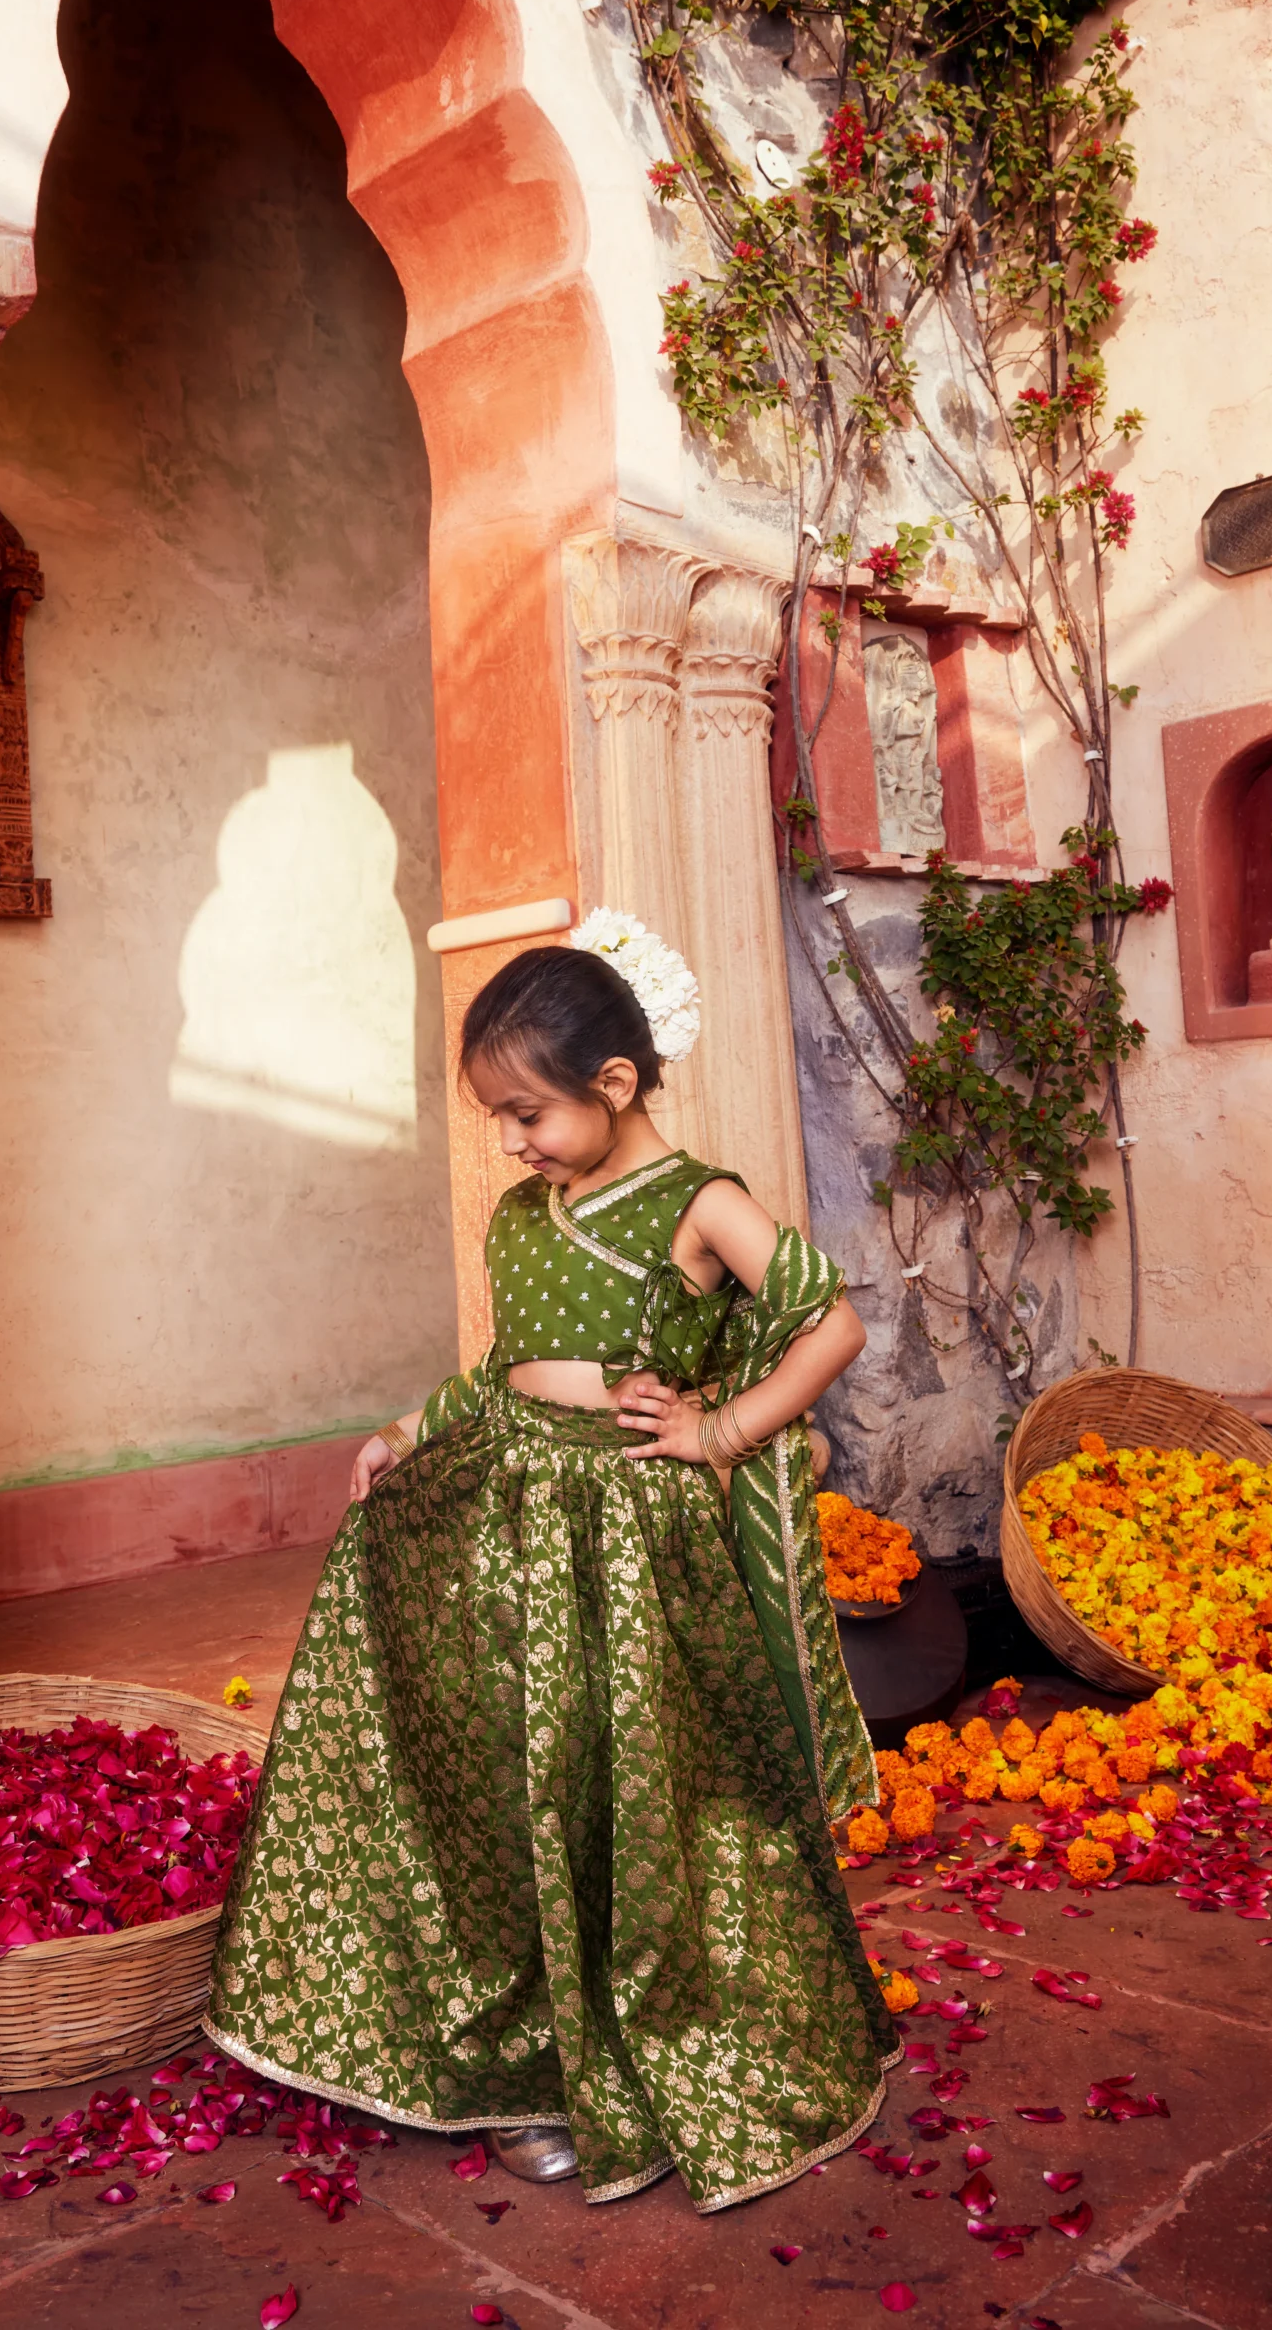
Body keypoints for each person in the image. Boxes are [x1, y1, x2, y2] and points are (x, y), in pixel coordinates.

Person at [206, 921, 899, 2214]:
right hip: (505, 1523)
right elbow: (504, 1367)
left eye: (527, 1114)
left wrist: (722, 1432)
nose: (512, 1143)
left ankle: (650, 2048)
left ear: (615, 1084)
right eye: (497, 1119)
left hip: (629, 1543)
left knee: (626, 1790)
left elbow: (832, 1323)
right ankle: (528, 2054)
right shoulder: (525, 1216)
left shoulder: (701, 1201)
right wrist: (407, 1431)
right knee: (510, 1778)